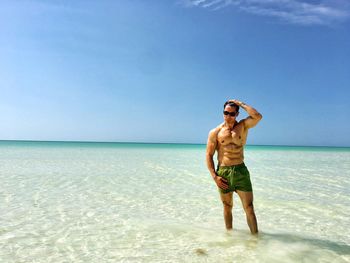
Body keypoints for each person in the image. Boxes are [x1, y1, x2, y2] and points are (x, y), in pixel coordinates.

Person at [206, 99, 262, 234]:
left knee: (249, 207)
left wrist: (240, 103)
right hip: (223, 172)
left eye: (232, 114)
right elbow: (209, 155)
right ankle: (229, 238)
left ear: (237, 114)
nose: (228, 116)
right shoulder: (215, 132)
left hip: (241, 171)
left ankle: (255, 240)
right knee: (227, 206)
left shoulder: (243, 126)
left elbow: (257, 116)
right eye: (225, 113)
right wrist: (215, 177)